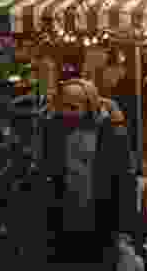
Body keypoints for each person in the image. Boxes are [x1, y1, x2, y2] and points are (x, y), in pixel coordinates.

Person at [43, 78, 141, 270]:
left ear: (89, 106)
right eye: (63, 106)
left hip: (100, 227)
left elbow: (125, 182)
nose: (66, 113)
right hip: (63, 226)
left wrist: (124, 233)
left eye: (73, 107)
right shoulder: (54, 129)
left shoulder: (111, 134)